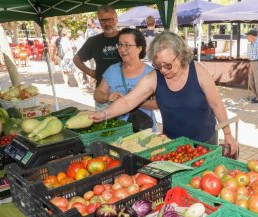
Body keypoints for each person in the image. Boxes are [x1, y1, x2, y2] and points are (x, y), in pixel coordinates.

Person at [90, 31, 237, 155]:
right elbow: (128, 101)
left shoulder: (197, 70)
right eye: (158, 65)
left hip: (205, 141)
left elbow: (216, 103)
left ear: (180, 56)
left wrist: (228, 134)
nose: (163, 70)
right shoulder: (154, 77)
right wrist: (104, 114)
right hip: (172, 143)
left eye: (167, 65)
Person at [94, 28, 158, 130]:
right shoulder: (112, 70)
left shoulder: (151, 73)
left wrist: (134, 101)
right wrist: (107, 97)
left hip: (145, 131)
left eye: (127, 45)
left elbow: (158, 103)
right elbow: (97, 94)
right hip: (118, 131)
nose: (122, 49)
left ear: (139, 48)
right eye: (120, 44)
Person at [73, 5, 121, 109]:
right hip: (103, 93)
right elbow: (76, 59)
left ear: (116, 20)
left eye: (109, 19)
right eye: (102, 20)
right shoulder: (93, 41)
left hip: (126, 90)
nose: (106, 23)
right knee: (104, 123)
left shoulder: (126, 37)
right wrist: (90, 72)